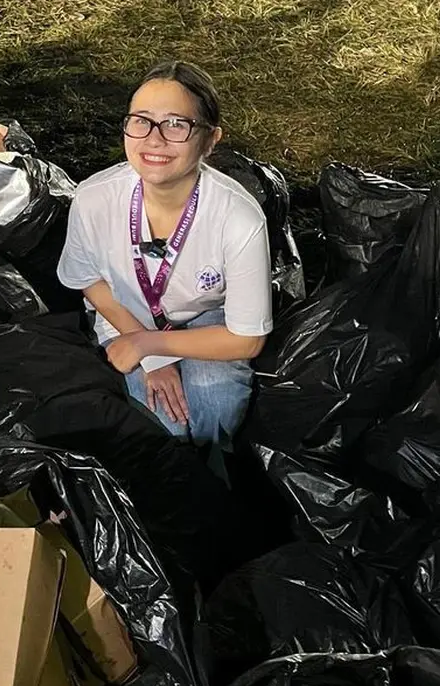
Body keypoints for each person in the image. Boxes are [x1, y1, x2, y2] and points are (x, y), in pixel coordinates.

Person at [56, 60, 273, 450]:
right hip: (125, 313)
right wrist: (150, 356)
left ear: (210, 140)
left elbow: (247, 338)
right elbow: (88, 279)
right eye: (141, 121)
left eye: (176, 124)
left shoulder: (238, 218)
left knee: (215, 405)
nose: (154, 140)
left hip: (205, 314)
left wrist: (149, 346)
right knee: (166, 428)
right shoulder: (93, 199)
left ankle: (212, 471)